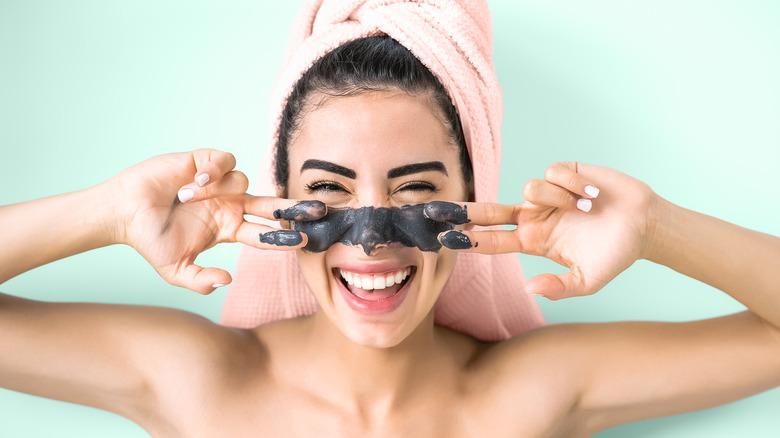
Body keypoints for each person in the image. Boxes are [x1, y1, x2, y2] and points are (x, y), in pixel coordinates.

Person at [2, 1, 780, 437]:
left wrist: (656, 229)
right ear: (276, 202)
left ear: (474, 203)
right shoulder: (199, 384)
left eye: (414, 192)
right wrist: (105, 212)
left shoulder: (526, 396)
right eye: (329, 193)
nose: (370, 238)